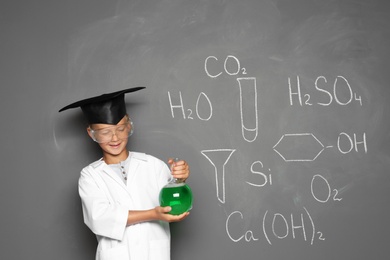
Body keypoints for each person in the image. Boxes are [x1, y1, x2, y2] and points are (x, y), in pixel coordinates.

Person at [59, 87, 190, 260]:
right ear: (91, 134)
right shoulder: (90, 176)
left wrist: (180, 178)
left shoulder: (153, 165)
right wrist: (152, 214)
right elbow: (100, 218)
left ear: (129, 126)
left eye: (120, 129)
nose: (114, 138)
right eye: (105, 132)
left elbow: (172, 204)